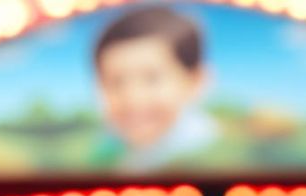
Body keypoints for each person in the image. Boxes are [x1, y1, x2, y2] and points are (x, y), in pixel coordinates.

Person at [93, 6, 217, 171]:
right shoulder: (108, 147)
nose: (133, 98)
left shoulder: (210, 152)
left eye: (151, 79)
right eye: (116, 82)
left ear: (195, 81)